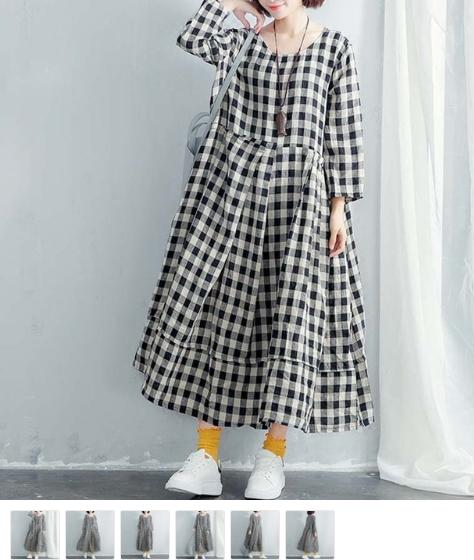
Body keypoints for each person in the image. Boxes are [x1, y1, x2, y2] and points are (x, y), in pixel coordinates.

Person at [131, 0, 375, 500]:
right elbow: (193, 38)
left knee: (294, 320)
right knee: (218, 311)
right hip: (233, 190)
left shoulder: (335, 48)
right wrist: (230, 2)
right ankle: (205, 455)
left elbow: (345, 133)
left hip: (301, 201)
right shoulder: (241, 39)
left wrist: (338, 209)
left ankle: (272, 456)